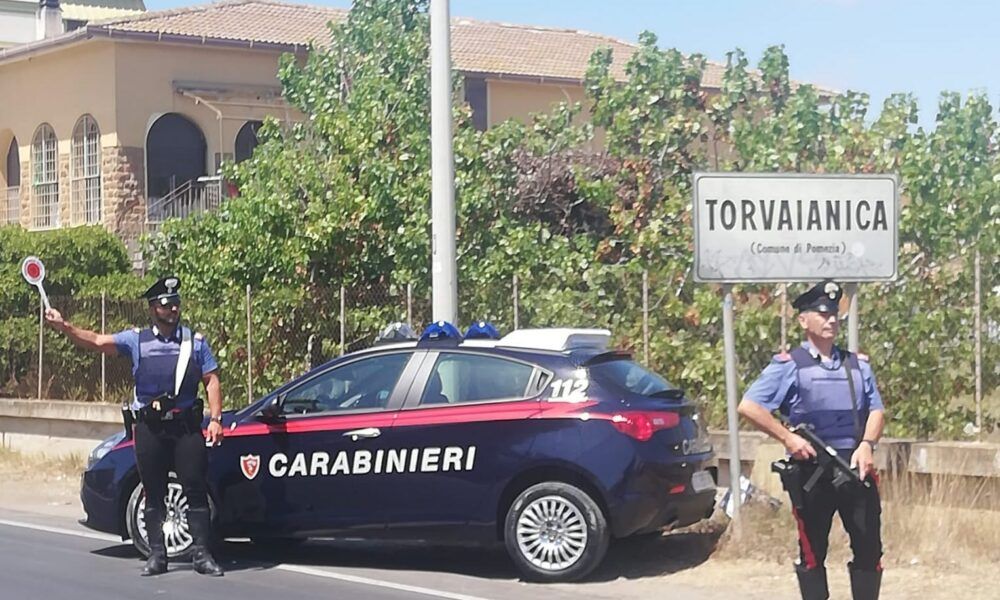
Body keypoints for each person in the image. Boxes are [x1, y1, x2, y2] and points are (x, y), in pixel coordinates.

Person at [45, 276, 225, 577]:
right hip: (150, 430)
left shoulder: (195, 342)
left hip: (185, 429)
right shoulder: (135, 340)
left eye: (176, 303)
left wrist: (216, 419)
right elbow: (97, 341)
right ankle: (157, 556)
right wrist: (64, 326)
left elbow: (212, 379)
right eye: (167, 304)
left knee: (195, 489)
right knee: (153, 492)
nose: (173, 308)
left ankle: (202, 555)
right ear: (153, 308)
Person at [737, 280, 885, 600]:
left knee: (869, 549)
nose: (830, 320)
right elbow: (749, 406)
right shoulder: (789, 365)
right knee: (813, 551)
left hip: (854, 465)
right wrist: (787, 438)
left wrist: (866, 444)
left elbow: (876, 409)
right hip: (811, 469)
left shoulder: (857, 365)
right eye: (821, 314)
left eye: (834, 314)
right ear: (804, 320)